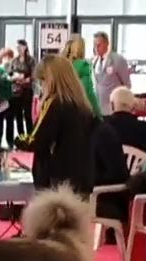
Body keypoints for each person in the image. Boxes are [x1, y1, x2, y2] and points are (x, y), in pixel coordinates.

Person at [26, 55, 96, 196]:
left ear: (51, 80)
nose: (41, 86)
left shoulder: (54, 104)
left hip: (56, 180)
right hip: (81, 177)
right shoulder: (83, 106)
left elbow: (37, 140)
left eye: (43, 81)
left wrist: (20, 142)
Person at [106, 87, 146, 156]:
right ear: (133, 106)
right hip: (136, 166)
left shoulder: (102, 126)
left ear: (112, 105)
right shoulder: (145, 128)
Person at [91, 32, 130, 112]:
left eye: (98, 45)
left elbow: (127, 84)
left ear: (107, 44)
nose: (96, 48)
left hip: (114, 107)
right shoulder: (94, 61)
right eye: (94, 46)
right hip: (99, 107)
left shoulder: (118, 60)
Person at [63, 35, 100, 116]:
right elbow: (89, 92)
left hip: (63, 111)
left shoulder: (61, 65)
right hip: (81, 112)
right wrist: (99, 115)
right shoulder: (85, 66)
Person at [9, 39, 35, 136]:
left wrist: (26, 79)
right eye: (17, 47)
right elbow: (9, 73)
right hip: (16, 89)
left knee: (27, 114)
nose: (18, 49)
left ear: (25, 47)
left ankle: (30, 136)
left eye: (20, 47)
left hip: (27, 89)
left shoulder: (31, 60)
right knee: (18, 114)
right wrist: (14, 78)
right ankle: (21, 136)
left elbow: (34, 74)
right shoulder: (14, 60)